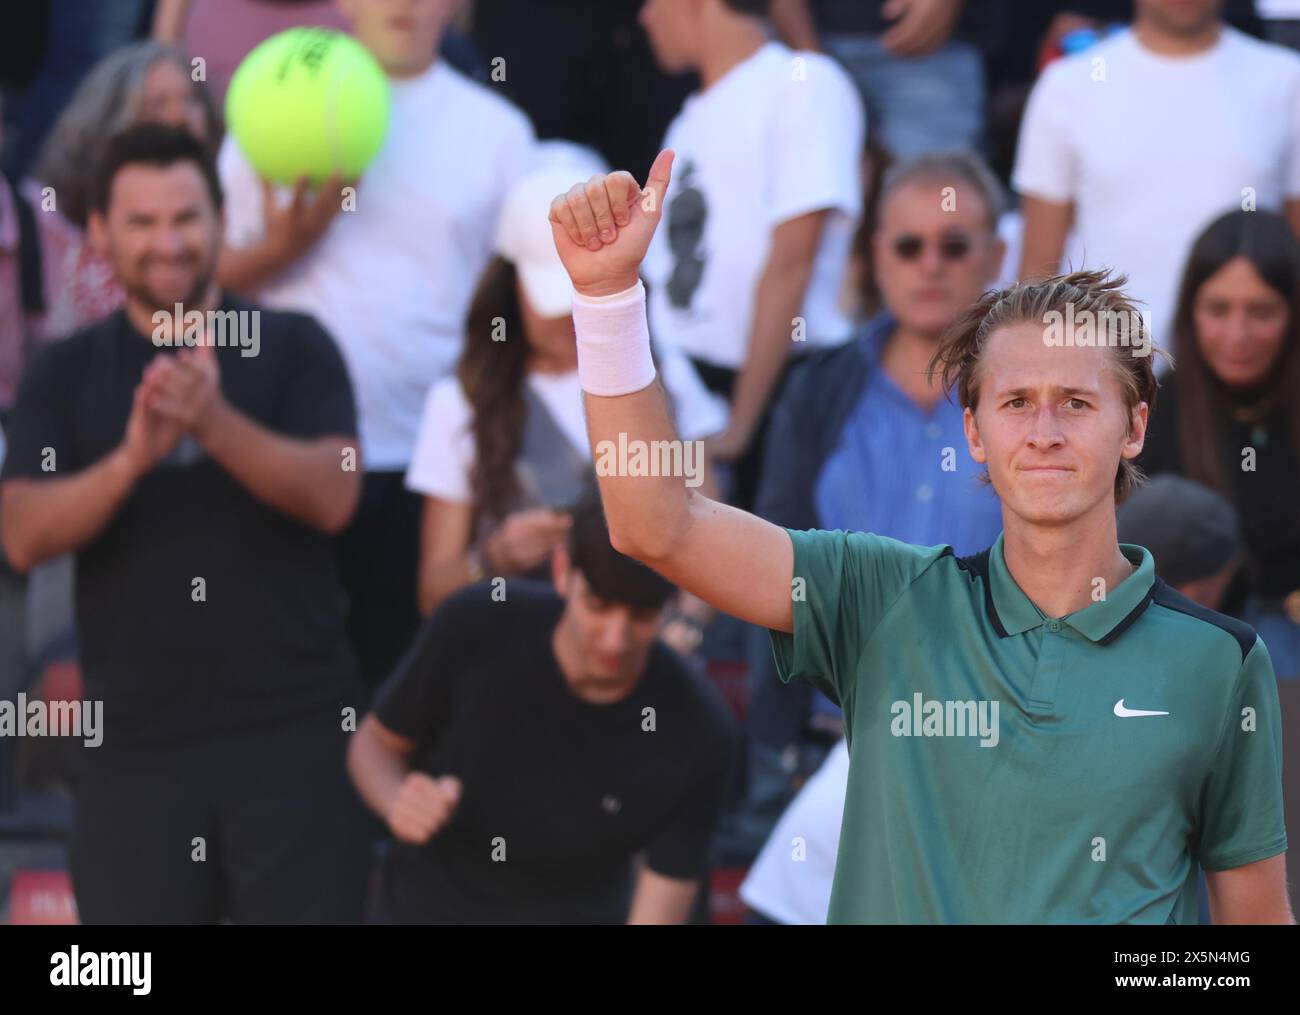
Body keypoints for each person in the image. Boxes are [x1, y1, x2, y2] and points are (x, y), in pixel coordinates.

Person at [547, 151, 1292, 923]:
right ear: (972, 430)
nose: (1043, 431)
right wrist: (606, 300)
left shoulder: (1220, 660)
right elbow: (654, 525)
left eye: (1075, 401)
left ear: (1135, 425)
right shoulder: (880, 600)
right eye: (1015, 402)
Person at [0, 125, 369, 923]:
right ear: (98, 231)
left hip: (293, 737)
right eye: (141, 221)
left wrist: (216, 424)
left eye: (185, 217)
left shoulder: (295, 345)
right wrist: (132, 458)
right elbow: (23, 533)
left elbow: (336, 494)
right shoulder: (65, 372)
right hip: (133, 749)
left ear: (218, 216)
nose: (167, 242)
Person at [217, 0, 535, 689]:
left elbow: (513, 307)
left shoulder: (500, 132)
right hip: (288, 451)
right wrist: (286, 245)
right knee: (283, 684)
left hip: (435, 458)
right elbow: (196, 285)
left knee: (406, 684)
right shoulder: (270, 94)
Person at [735, 150, 1007, 866]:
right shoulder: (818, 388)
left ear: (997, 254)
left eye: (954, 245)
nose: (931, 266)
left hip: (991, 743)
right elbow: (774, 562)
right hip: (826, 740)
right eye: (908, 245)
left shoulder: (1032, 400)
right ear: (875, 255)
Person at [347, 495, 738, 924]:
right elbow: (374, 743)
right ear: (562, 572)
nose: (615, 638)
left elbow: (662, 902)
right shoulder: (475, 624)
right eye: (598, 606)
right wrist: (398, 800)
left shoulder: (696, 727)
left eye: (642, 616)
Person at [406, 147, 726, 616]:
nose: (571, 320)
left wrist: (684, 631)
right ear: (509, 285)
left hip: (648, 652)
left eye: (588, 296)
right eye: (559, 300)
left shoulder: (665, 373)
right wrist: (496, 556)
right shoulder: (460, 402)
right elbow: (433, 595)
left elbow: (714, 538)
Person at [637, 0, 865, 509]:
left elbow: (793, 261)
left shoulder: (804, 82)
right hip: (691, 395)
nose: (645, 18)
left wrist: (743, 422)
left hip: (782, 393)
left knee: (783, 580)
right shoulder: (686, 120)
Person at [1014, 0, 1300, 351]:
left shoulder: (1286, 81)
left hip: (1244, 372)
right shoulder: (1066, 86)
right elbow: (1038, 273)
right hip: (1107, 368)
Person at [1138, 209, 1300, 679]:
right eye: (1219, 309)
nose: (1238, 335)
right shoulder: (1150, 416)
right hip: (1186, 653)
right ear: (1191, 309)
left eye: (1261, 311)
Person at [771, 0, 1000, 159]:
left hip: (930, 52)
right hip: (797, 46)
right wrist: (806, 55)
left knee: (940, 197)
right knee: (806, 194)